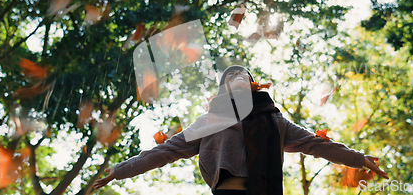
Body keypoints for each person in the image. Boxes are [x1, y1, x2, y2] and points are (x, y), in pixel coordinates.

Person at [93, 65, 388, 194]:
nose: (235, 75)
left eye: (241, 74)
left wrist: (358, 158)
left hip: (266, 188)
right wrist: (119, 170)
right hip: (230, 189)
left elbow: (316, 144)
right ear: (223, 88)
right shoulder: (209, 121)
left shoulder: (275, 120)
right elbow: (165, 151)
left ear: (252, 85)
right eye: (229, 76)